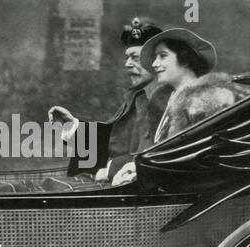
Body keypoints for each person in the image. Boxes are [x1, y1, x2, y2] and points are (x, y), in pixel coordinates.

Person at [111, 28, 250, 186]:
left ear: (185, 59)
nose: (154, 64)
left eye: (163, 56)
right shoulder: (170, 98)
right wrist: (135, 167)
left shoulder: (207, 100)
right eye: (155, 57)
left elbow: (205, 161)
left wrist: (144, 172)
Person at [48, 17, 172, 181]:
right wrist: (73, 126)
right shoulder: (138, 96)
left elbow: (158, 154)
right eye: (126, 57)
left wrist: (110, 170)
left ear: (155, 60)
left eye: (135, 57)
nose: (127, 64)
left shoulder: (169, 100)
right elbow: (111, 138)